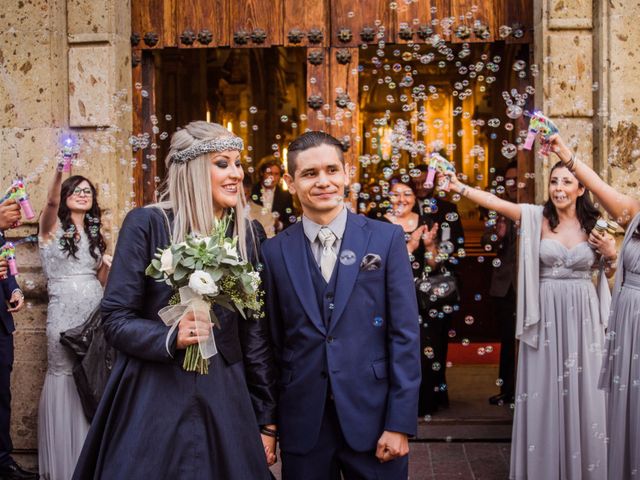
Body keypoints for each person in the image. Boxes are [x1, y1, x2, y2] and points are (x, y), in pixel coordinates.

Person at [73, 121, 277, 479]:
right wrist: (169, 337)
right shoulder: (148, 224)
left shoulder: (248, 233)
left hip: (224, 394)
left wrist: (266, 420)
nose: (236, 174)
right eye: (222, 163)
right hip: (153, 393)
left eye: (238, 163)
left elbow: (255, 335)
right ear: (194, 168)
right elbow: (116, 318)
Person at [439, 161, 615, 479]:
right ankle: (545, 467)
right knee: (546, 386)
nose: (558, 188)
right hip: (546, 312)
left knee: (584, 384)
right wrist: (459, 188)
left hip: (583, 314)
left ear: (581, 189)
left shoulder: (595, 223)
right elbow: (497, 203)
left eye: (566, 182)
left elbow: (609, 272)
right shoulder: (537, 217)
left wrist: (611, 254)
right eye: (554, 182)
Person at [261, 131, 421, 479]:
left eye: (332, 170)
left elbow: (405, 335)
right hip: (303, 421)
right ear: (290, 182)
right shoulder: (272, 253)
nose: (324, 182)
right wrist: (268, 424)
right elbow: (270, 344)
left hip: (376, 417)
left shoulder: (385, 238)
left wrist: (400, 422)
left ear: (347, 174)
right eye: (310, 173)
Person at [548, 133, 640, 480]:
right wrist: (565, 154)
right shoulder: (633, 212)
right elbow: (597, 185)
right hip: (627, 321)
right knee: (625, 412)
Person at [37, 164, 111, 480]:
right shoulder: (50, 229)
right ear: (65, 195)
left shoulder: (95, 234)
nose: (82, 194)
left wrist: (109, 265)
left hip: (94, 316)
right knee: (64, 375)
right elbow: (51, 204)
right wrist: (59, 170)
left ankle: (89, 457)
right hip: (62, 314)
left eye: (87, 191)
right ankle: (64, 464)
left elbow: (102, 280)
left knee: (93, 378)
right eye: (75, 189)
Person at [378, 178, 448, 417]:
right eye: (396, 194)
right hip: (388, 293)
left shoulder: (426, 221)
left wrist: (429, 246)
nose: (402, 200)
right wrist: (409, 247)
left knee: (423, 348)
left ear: (415, 198)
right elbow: (374, 264)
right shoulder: (378, 224)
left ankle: (422, 403)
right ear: (388, 197)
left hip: (421, 296)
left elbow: (435, 265)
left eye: (407, 194)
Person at [0, 203, 34, 480]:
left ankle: (2, 461)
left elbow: (6, 268)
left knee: (2, 396)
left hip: (1, 325)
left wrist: (14, 289)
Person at [482, 161, 519, 405]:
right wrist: (498, 233)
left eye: (517, 180)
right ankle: (508, 390)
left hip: (529, 283)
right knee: (507, 338)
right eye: (509, 180)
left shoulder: (536, 207)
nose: (513, 185)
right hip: (506, 285)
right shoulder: (498, 208)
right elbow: (486, 239)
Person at [250, 156, 295, 232]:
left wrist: (278, 225)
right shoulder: (251, 191)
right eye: (269, 173)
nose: (272, 178)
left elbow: (291, 224)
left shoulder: (286, 196)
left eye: (276, 174)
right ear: (262, 173)